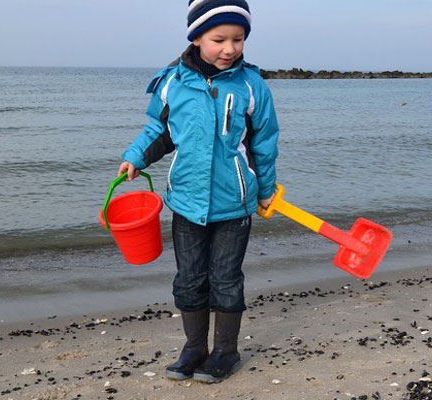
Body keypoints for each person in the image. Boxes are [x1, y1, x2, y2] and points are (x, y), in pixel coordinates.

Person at [117, 0, 279, 383]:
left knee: (225, 279)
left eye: (238, 39)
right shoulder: (173, 82)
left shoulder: (251, 86)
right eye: (218, 38)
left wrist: (266, 189)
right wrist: (136, 157)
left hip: (233, 205)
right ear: (196, 37)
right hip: (186, 203)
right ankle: (194, 348)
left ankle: (225, 352)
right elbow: (159, 131)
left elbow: (265, 143)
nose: (229, 48)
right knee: (188, 279)